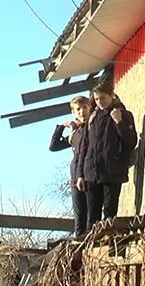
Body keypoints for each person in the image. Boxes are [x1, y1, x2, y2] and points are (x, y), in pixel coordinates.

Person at [80, 79, 138, 228]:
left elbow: (131, 142)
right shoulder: (92, 118)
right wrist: (80, 174)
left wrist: (119, 122)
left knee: (109, 215)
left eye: (102, 98)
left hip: (113, 172)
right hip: (91, 172)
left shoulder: (124, 115)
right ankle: (91, 246)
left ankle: (107, 244)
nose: (99, 102)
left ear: (111, 95)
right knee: (92, 218)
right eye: (97, 99)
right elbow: (84, 147)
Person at [50, 95, 94, 237]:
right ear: (74, 112)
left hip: (90, 175)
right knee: (79, 218)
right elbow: (54, 146)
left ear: (90, 108)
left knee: (91, 216)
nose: (82, 112)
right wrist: (62, 126)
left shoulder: (93, 126)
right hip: (75, 177)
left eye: (84, 108)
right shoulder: (75, 133)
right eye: (78, 109)